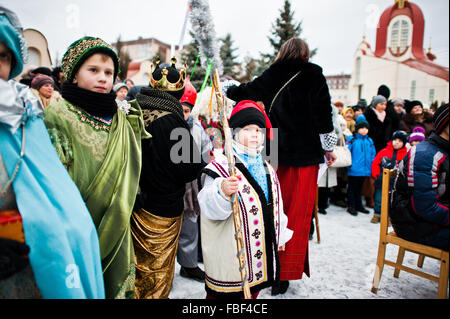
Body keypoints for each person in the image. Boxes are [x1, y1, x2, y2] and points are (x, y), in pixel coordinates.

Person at [0, 7, 104, 299]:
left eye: (2, 56)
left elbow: (57, 190)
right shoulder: (51, 113)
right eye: (93, 70)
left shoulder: (24, 116)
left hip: (36, 265)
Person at [226, 37, 337, 295]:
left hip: (274, 151)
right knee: (297, 214)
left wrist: (227, 86)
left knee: (275, 209)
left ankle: (270, 266)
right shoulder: (314, 73)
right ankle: (284, 273)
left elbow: (245, 91)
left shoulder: (273, 73)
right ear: (305, 54)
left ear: (283, 52)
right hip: (306, 154)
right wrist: (328, 148)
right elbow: (324, 114)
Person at [44, 36, 149, 299]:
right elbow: (55, 177)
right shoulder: (59, 114)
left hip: (118, 220)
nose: (103, 77)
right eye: (93, 70)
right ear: (73, 75)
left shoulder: (119, 115)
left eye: (109, 72)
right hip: (79, 223)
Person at [198, 100, 293, 299]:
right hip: (232, 255)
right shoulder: (222, 166)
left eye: (258, 130)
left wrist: (279, 234)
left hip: (258, 254)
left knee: (252, 293)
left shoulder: (267, 167)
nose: (254, 134)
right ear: (234, 133)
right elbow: (206, 203)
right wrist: (222, 190)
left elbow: (276, 204)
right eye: (247, 129)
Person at [129, 58, 203, 299]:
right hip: (162, 207)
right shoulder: (173, 120)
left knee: (137, 265)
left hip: (133, 202)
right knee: (157, 271)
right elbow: (189, 169)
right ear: (179, 91)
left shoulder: (134, 109)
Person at [391, 103, 449, 251]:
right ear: (445, 125)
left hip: (429, 218)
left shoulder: (443, 149)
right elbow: (425, 207)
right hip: (413, 223)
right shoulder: (426, 155)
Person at [176, 78, 213, 282]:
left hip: (191, 185)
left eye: (186, 110)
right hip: (169, 186)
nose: (183, 115)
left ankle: (188, 264)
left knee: (190, 224)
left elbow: (207, 152)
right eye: (179, 109)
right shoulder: (165, 126)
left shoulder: (197, 128)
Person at [370, 130, 408, 223]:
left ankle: (389, 217)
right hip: (382, 180)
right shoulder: (384, 151)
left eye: (400, 141)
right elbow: (375, 163)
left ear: (404, 143)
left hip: (395, 183)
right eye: (395, 140)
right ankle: (377, 214)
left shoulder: (405, 154)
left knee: (392, 201)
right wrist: (376, 174)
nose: (397, 142)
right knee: (379, 198)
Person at [345, 115, 376, 216]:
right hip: (354, 169)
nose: (364, 130)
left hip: (365, 169)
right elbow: (347, 152)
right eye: (362, 128)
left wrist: (371, 166)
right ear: (357, 129)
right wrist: (349, 165)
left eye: (366, 128)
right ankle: (351, 205)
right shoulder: (352, 139)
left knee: (359, 189)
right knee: (352, 188)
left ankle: (359, 205)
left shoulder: (369, 141)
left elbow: (372, 154)